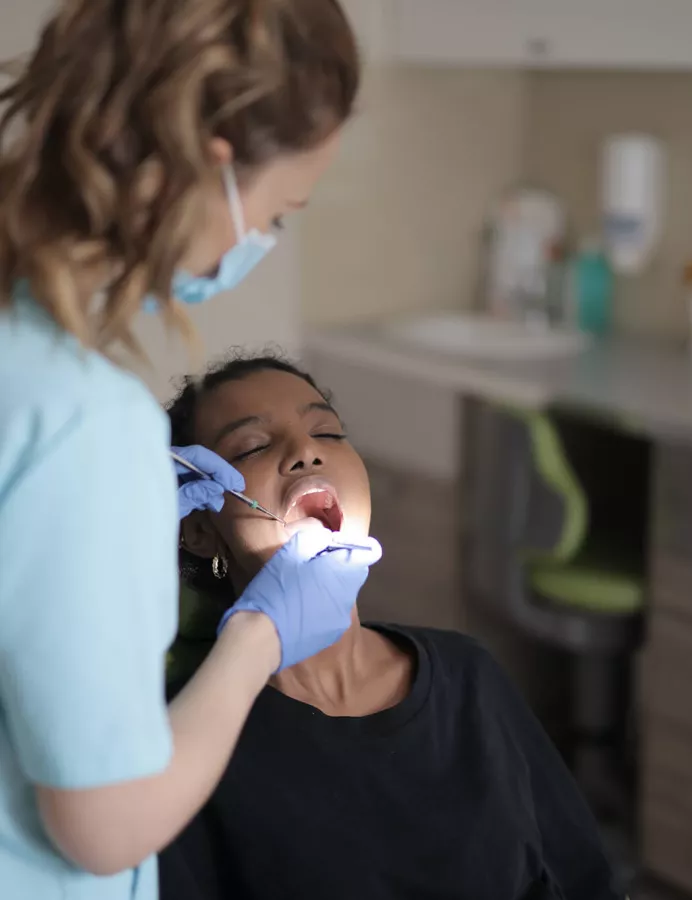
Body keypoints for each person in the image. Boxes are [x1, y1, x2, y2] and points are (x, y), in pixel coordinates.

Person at [0, 3, 381, 899]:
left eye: (328, 430)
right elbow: (104, 827)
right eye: (279, 212)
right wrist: (260, 637)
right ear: (214, 166)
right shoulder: (80, 424)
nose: (305, 457)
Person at [158, 353, 624, 900]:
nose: (307, 451)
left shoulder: (466, 673)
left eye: (327, 431)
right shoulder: (184, 740)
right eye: (253, 445)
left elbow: (586, 879)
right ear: (198, 529)